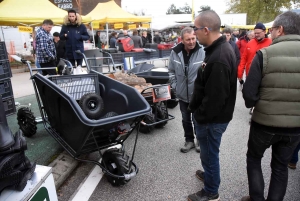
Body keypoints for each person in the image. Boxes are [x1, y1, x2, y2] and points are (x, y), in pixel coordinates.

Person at [241, 11, 300, 201]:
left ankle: (256, 198)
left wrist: (261, 103)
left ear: (280, 30)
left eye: (272, 29)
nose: (270, 33)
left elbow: (249, 96)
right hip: (295, 128)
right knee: (281, 167)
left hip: (264, 123)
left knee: (254, 158)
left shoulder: (265, 54)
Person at [188, 10, 237, 201]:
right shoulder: (217, 50)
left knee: (209, 155)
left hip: (211, 120)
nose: (194, 32)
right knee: (209, 154)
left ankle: (211, 191)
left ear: (206, 30)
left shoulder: (219, 57)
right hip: (211, 118)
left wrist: (199, 115)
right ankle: (210, 176)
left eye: (196, 28)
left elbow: (216, 99)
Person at [168, 27, 205, 153]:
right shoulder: (175, 52)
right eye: (188, 39)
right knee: (185, 120)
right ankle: (189, 140)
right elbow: (171, 71)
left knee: (197, 119)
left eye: (193, 38)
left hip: (197, 95)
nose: (191, 42)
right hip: (182, 93)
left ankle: (199, 140)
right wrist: (175, 86)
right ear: (182, 40)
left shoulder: (203, 51)